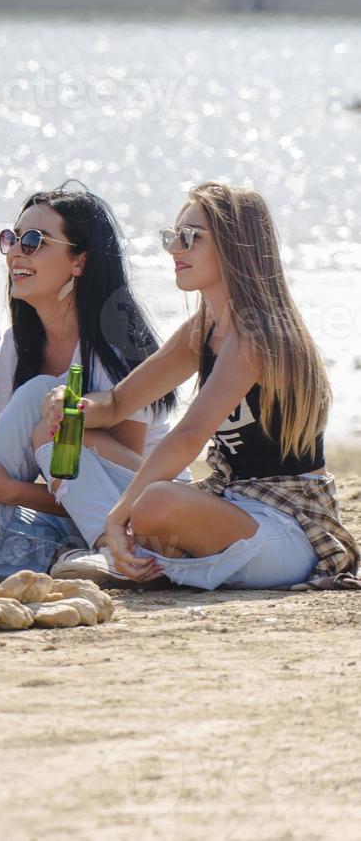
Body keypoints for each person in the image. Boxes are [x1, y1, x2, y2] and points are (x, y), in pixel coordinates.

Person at [38, 182, 357, 589]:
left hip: (288, 529)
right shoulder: (203, 330)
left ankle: (119, 550)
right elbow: (119, 402)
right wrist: (77, 406)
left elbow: (189, 436)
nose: (175, 248)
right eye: (172, 236)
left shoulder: (256, 336)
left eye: (190, 237)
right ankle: (130, 554)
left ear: (233, 246)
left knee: (154, 502)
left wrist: (118, 515)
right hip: (230, 507)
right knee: (63, 433)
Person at [0, 184, 177, 578]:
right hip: (72, 512)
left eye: (33, 241)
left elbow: (122, 485)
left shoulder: (118, 344)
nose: (16, 251)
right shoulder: (16, 345)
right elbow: (18, 468)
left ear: (79, 262)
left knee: (40, 394)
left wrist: (7, 492)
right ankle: (65, 560)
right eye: (11, 239)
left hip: (139, 507)